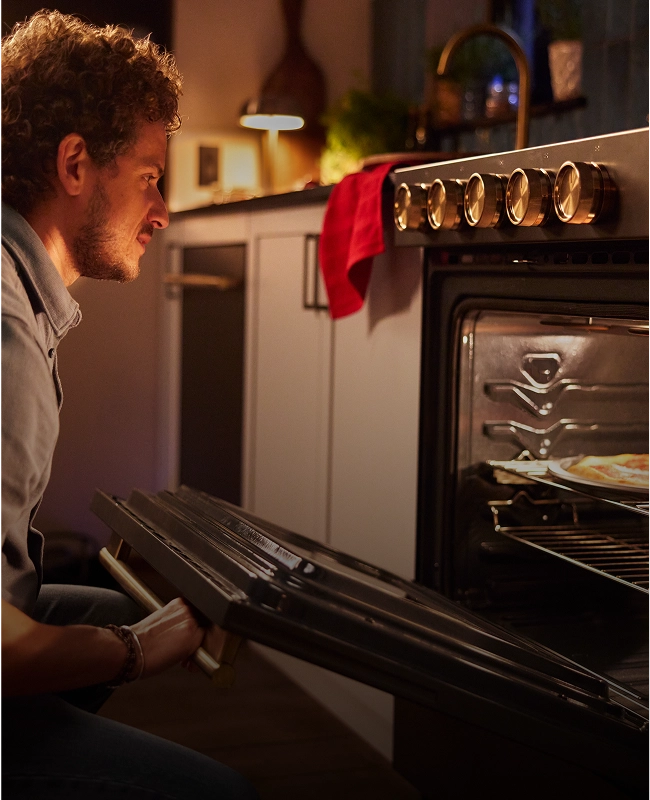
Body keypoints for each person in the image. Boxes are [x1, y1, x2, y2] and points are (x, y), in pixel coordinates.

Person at [1, 11, 258, 799]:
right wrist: (138, 648)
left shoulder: (20, 291)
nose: (163, 210)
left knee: (110, 602)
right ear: (76, 164)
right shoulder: (5, 334)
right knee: (226, 795)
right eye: (149, 176)